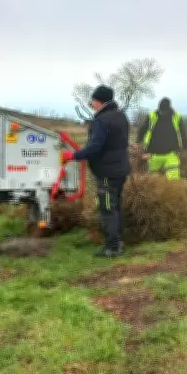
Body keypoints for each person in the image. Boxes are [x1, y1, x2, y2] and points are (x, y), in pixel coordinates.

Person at [61, 85, 130, 257]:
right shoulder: (121, 116)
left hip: (107, 172)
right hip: (120, 169)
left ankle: (112, 248)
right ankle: (117, 243)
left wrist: (74, 155)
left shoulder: (102, 120)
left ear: (99, 101)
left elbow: (95, 147)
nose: (91, 104)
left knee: (107, 208)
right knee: (115, 207)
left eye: (93, 101)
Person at [135, 97, 187, 180]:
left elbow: (183, 133)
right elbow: (142, 129)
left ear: (169, 109)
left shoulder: (176, 116)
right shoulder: (152, 116)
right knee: (154, 180)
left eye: (163, 110)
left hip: (171, 153)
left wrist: (186, 146)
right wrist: (138, 142)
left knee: (173, 179)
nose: (162, 112)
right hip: (153, 153)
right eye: (161, 110)